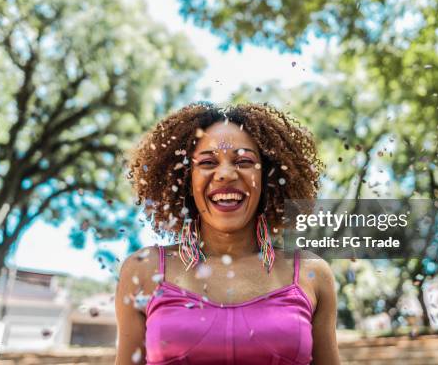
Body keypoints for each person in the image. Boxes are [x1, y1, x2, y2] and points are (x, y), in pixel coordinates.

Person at [115, 102, 341, 365]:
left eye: (244, 161)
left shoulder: (311, 273)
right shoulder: (142, 271)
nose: (225, 174)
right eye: (208, 162)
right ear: (186, 180)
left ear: (268, 178)